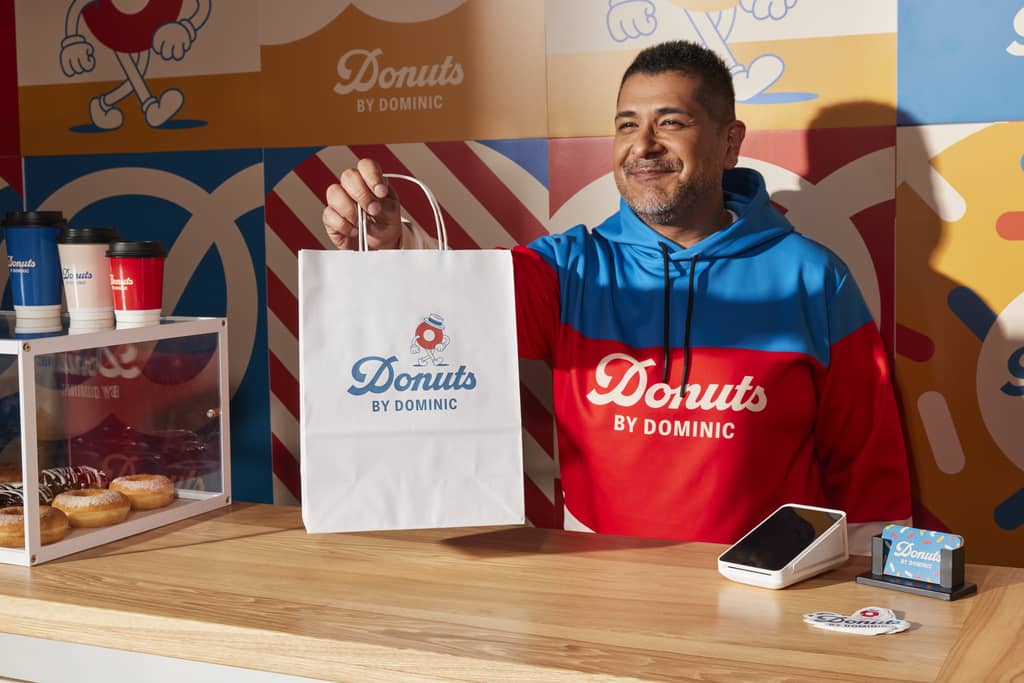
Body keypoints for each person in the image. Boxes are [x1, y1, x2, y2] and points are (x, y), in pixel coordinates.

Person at [322, 40, 911, 554]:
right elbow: (459, 307)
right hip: (595, 587)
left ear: (730, 141)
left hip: (762, 593)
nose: (643, 145)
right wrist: (394, 243)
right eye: (627, 124)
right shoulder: (570, 265)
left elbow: (866, 461)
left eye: (671, 122)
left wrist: (870, 607)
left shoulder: (813, 276)